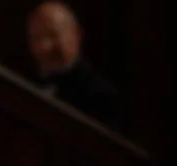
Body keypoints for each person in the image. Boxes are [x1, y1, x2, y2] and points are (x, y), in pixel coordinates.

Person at [26, 1, 119, 129]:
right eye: (36, 38)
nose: (44, 46)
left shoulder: (99, 94)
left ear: (76, 35)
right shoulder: (26, 77)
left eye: (53, 35)